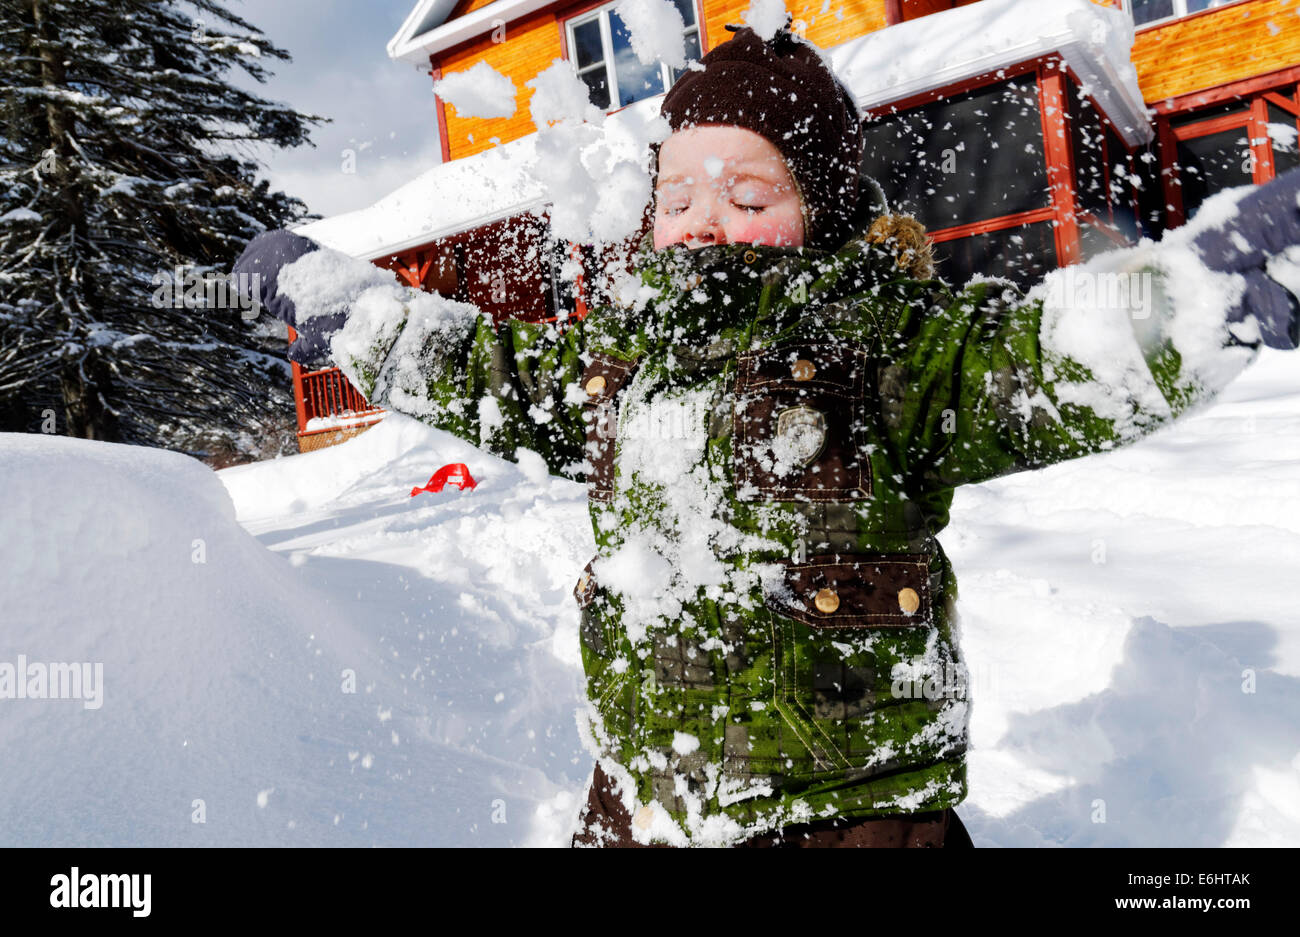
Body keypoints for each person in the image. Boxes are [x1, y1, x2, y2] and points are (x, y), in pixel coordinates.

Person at [233, 20, 1300, 848]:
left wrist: (1197, 299)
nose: (705, 217)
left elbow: (1041, 354)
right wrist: (341, 306)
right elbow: (477, 368)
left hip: (849, 813)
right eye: (679, 192)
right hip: (644, 801)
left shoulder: (889, 349)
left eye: (749, 193)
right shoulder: (619, 364)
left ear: (821, 213)